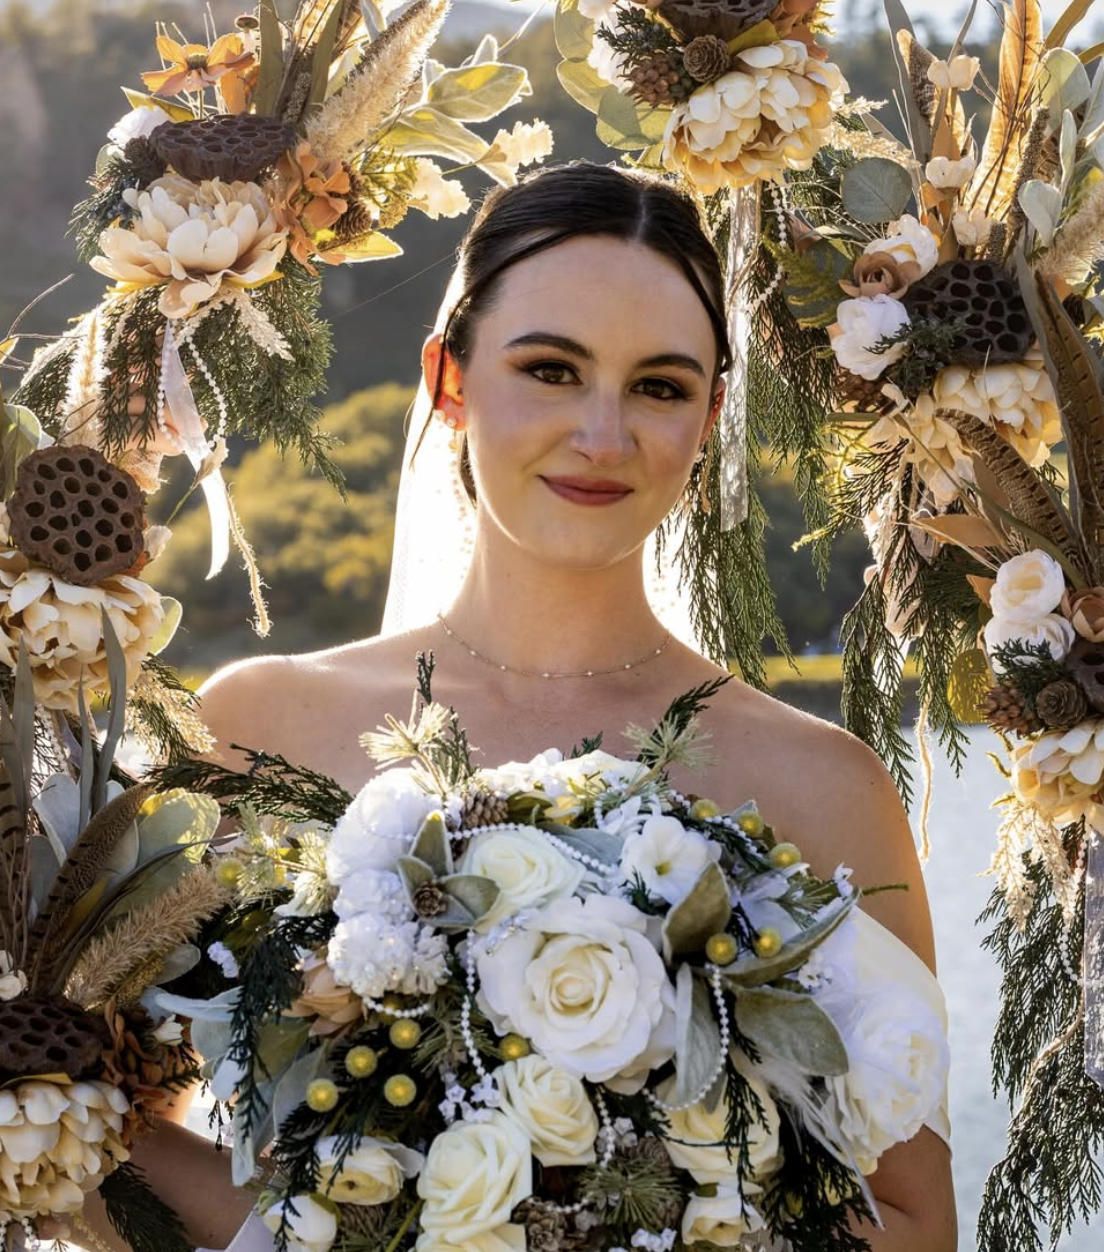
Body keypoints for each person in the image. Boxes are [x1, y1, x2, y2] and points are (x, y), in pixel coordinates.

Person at [74, 162, 957, 1251]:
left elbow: (917, 1218)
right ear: (449, 380)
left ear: (713, 414)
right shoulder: (253, 729)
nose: (603, 433)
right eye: (550, 368)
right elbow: (102, 1130)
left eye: (660, 386)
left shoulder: (825, 783)